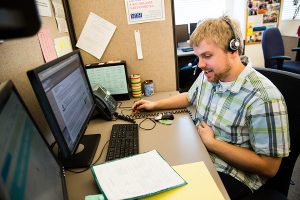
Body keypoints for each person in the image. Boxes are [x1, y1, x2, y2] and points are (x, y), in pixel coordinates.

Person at [132, 16, 290, 199]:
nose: (200, 64)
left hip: (233, 175)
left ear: (234, 49)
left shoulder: (264, 98)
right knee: (149, 179)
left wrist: (213, 144)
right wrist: (154, 105)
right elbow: (189, 97)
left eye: (207, 56)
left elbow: (269, 167)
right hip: (199, 153)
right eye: (198, 56)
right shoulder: (211, 75)